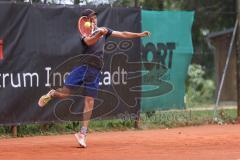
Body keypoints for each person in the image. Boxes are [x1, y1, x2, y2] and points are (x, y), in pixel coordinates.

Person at [38, 8, 151, 148]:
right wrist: (99, 34)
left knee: (90, 101)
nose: (94, 19)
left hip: (95, 71)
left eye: (95, 17)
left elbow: (122, 33)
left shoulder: (103, 30)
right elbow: (90, 42)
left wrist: (139, 34)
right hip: (82, 68)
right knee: (64, 93)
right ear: (85, 21)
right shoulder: (84, 34)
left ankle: (82, 134)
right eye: (91, 18)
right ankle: (52, 93)